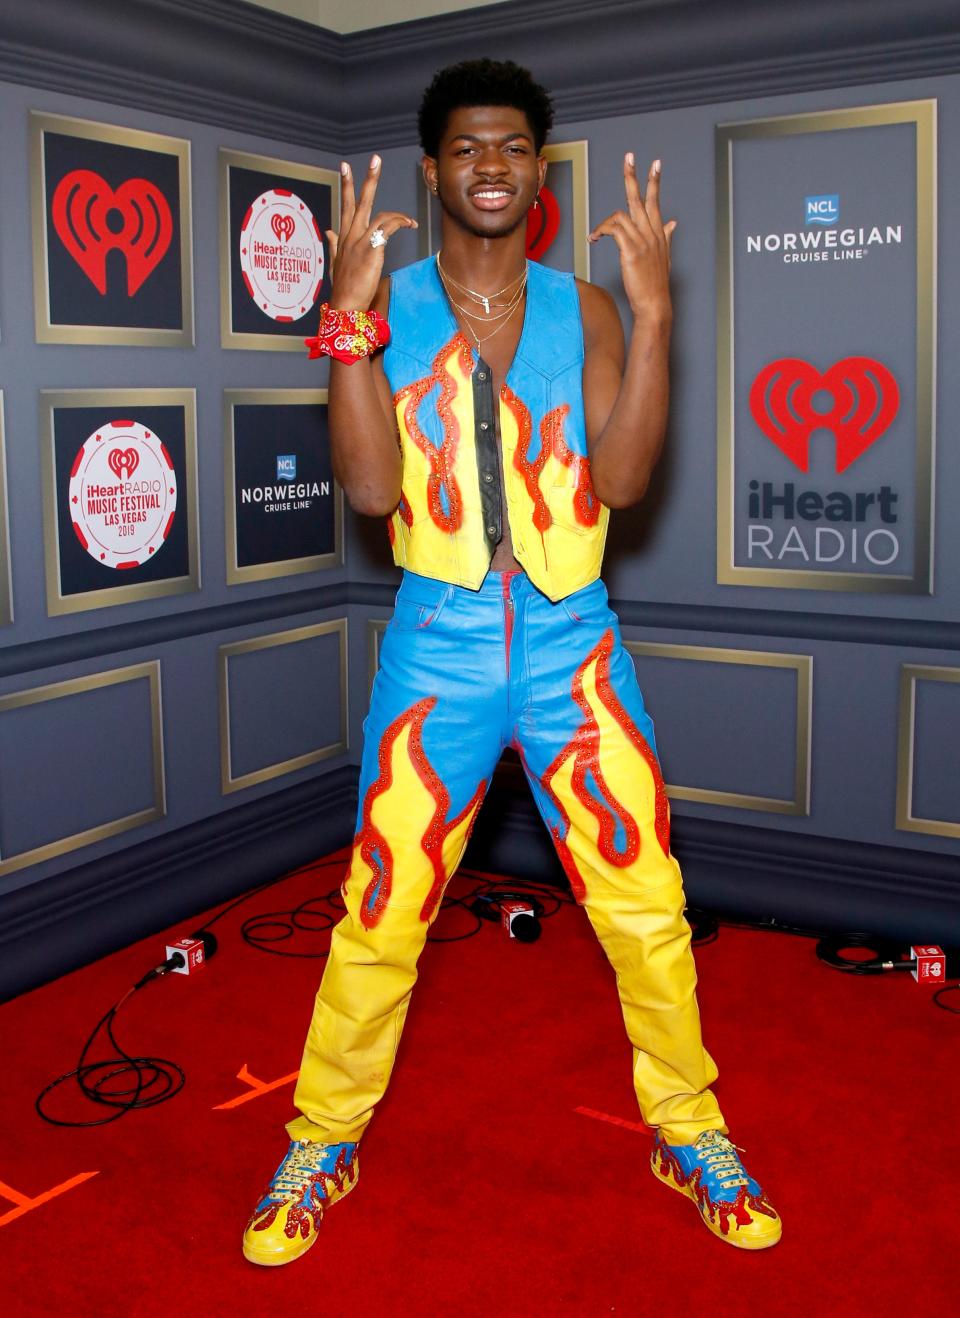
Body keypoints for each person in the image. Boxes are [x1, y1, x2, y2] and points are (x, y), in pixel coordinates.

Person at [242, 58, 781, 1266]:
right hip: (434, 644)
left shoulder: (584, 307)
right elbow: (375, 490)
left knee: (647, 908)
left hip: (574, 646)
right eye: (470, 147)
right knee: (379, 909)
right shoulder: (385, 299)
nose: (494, 164)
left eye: (516, 147)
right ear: (433, 169)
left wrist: (653, 316)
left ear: (539, 170)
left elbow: (626, 483)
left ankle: (687, 1127)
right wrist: (345, 317)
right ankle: (322, 1135)